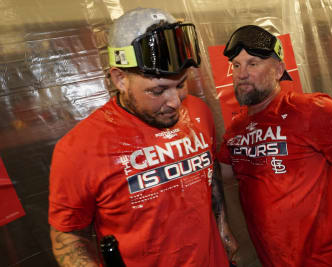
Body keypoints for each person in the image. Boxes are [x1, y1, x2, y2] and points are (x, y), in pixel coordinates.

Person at [48, 8, 237, 267]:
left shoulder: (198, 112)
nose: (175, 102)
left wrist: (223, 227)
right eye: (158, 90)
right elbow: (67, 233)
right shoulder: (79, 148)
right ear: (120, 78)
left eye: (181, 84)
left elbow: (209, 167)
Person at [217, 25, 332, 267]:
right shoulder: (236, 131)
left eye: (253, 63)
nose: (241, 73)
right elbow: (216, 177)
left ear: (278, 70)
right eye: (236, 65)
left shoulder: (312, 110)